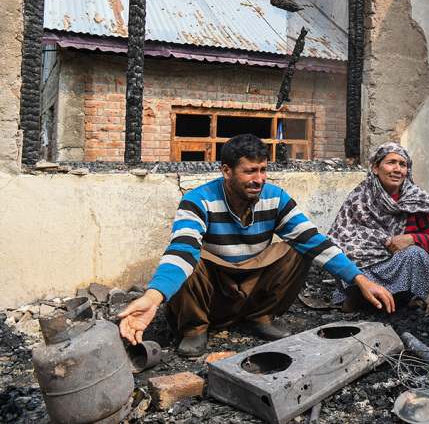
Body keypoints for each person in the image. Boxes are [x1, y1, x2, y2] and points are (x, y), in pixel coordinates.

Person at [118, 134, 394, 357]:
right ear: (226, 171)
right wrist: (152, 298)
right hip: (213, 283)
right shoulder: (197, 200)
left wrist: (359, 279)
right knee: (192, 258)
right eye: (250, 171)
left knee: (299, 249)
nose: (259, 179)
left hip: (253, 279)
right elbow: (182, 248)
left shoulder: (275, 198)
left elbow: (314, 240)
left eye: (263, 170)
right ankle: (194, 328)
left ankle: (260, 316)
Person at [327, 142, 429, 311]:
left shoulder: (416, 201)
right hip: (363, 274)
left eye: (402, 164)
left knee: (416, 254)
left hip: (398, 271)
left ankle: (384, 302)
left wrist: (412, 239)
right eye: (391, 162)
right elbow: (337, 240)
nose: (397, 169)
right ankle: (368, 298)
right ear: (375, 168)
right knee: (340, 257)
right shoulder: (358, 199)